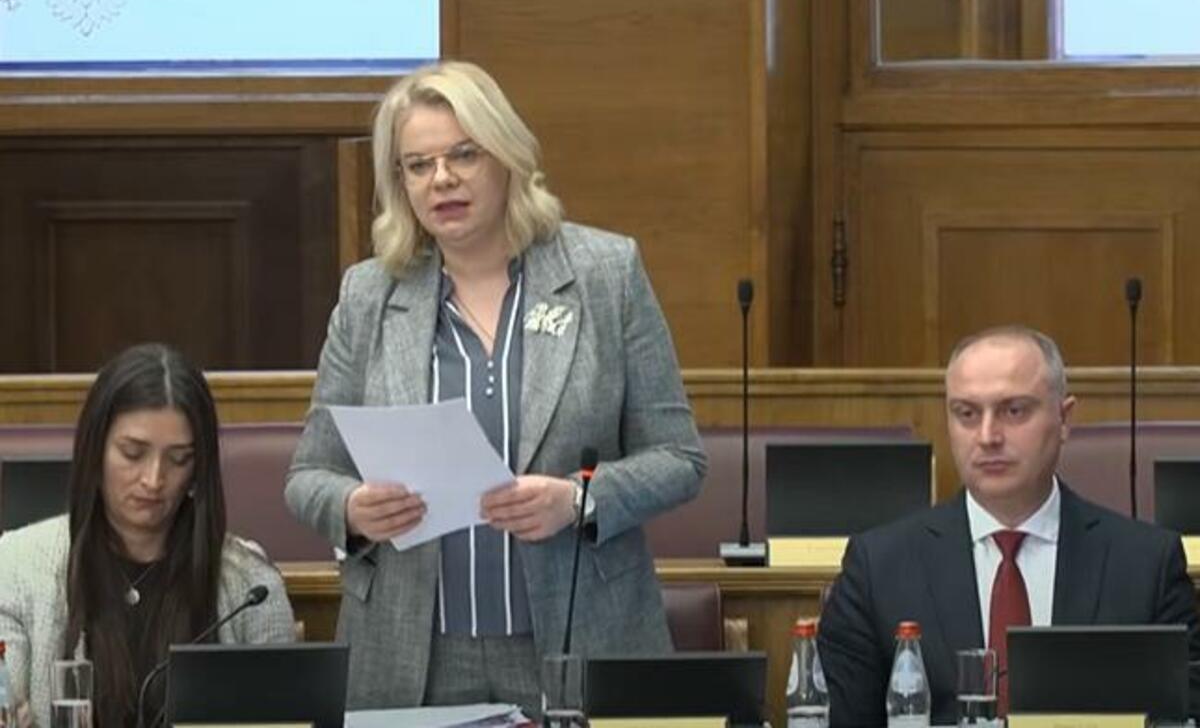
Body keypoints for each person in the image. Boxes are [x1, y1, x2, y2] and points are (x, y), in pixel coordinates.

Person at [285, 60, 706, 714]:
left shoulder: (604, 273)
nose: (442, 179)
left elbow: (680, 458)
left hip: (577, 637)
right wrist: (352, 509)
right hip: (411, 650)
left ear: (507, 157)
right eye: (418, 165)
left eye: (463, 154)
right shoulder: (369, 295)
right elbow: (309, 475)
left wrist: (578, 500)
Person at [818, 325, 1200, 725]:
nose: (987, 436)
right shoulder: (878, 567)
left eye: (1014, 411)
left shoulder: (1147, 565)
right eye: (967, 414)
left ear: (1064, 418)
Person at [0, 344, 296, 728]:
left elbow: (284, 717)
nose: (154, 479)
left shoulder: (250, 587)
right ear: (95, 449)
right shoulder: (16, 567)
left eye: (179, 459)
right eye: (133, 453)